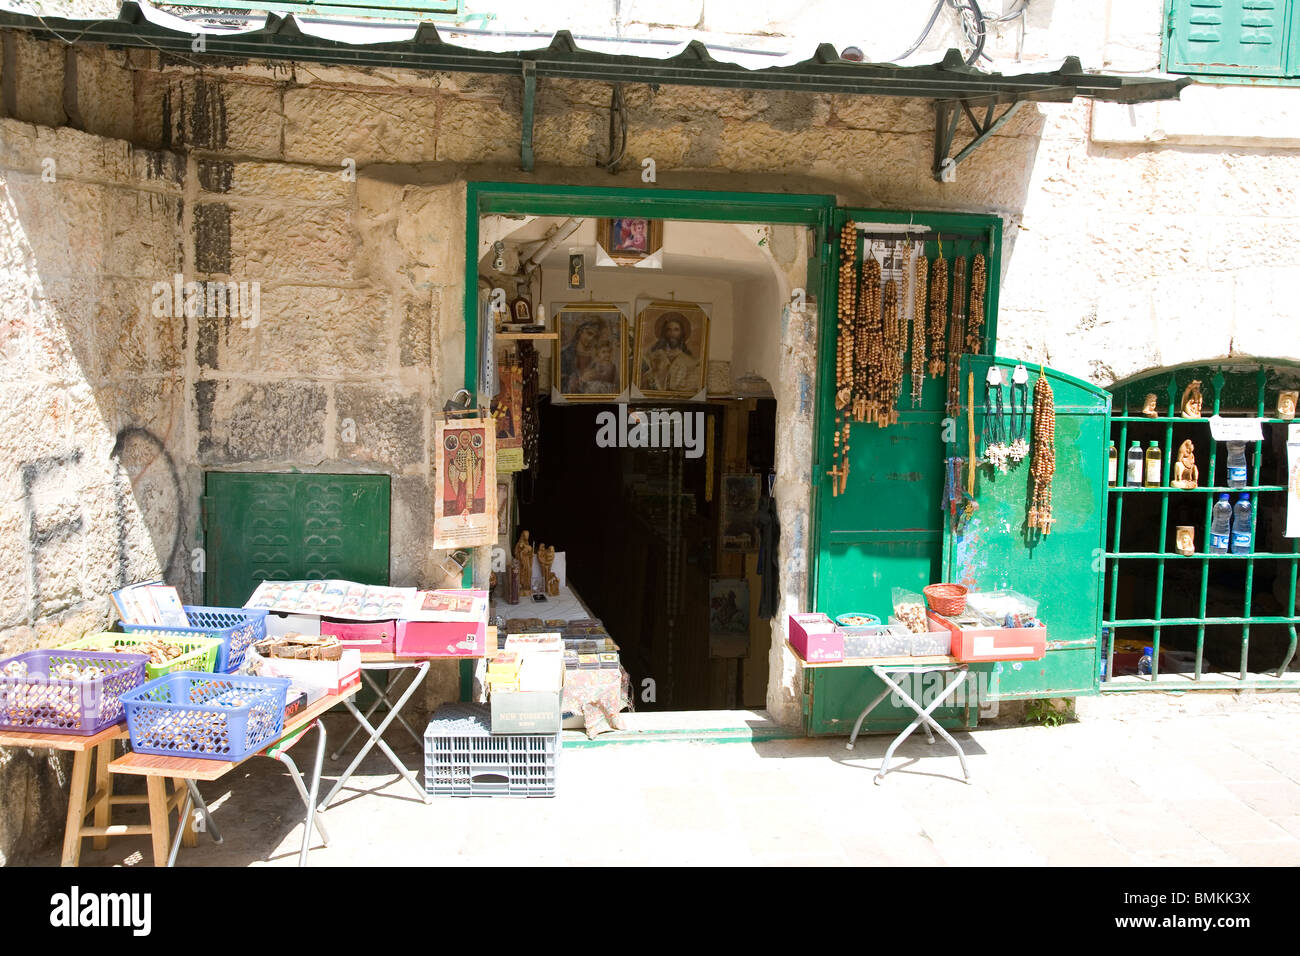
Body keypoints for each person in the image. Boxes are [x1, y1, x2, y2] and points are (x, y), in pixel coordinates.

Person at [640, 311, 700, 395]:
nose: (672, 334)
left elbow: (692, 388)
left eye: (676, 330)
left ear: (682, 333)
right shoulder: (652, 357)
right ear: (664, 333)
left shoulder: (690, 362)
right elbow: (643, 384)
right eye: (669, 330)